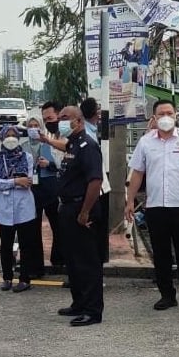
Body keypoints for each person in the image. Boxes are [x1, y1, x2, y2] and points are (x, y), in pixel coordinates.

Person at [125, 100, 179, 314]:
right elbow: (137, 173)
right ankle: (167, 295)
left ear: (176, 115)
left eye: (169, 113)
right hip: (155, 208)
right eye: (161, 113)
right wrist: (129, 201)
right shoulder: (145, 142)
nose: (165, 116)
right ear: (153, 118)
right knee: (161, 255)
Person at [50, 107, 105, 327]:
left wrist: (84, 212)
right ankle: (79, 303)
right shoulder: (72, 144)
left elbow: (95, 181)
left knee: (87, 262)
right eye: (60, 118)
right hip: (68, 209)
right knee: (72, 261)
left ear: (79, 121)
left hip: (82, 209)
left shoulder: (88, 146)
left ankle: (92, 311)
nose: (61, 122)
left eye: (65, 118)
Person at [0, 125, 40, 293]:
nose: (11, 139)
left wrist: (9, 182)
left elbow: (29, 181)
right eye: (7, 136)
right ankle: (7, 278)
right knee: (6, 245)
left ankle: (25, 279)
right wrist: (15, 182)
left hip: (24, 207)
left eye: (14, 136)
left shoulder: (27, 157)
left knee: (26, 245)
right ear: (2, 138)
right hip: (3, 209)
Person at [22, 117, 59, 277]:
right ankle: (36, 268)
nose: (33, 128)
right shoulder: (22, 147)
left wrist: (49, 165)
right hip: (31, 192)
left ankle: (58, 260)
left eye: (36, 125)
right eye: (30, 126)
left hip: (50, 190)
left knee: (58, 227)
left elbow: (61, 165)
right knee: (33, 231)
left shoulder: (50, 145)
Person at [81, 97, 111, 265]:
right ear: (94, 112)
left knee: (98, 232)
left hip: (102, 187)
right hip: (93, 190)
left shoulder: (93, 130)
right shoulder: (85, 134)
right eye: (98, 109)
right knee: (92, 233)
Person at [40, 101, 67, 268]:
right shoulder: (53, 137)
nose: (48, 122)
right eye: (45, 120)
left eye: (50, 118)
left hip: (74, 193)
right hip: (57, 190)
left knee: (66, 230)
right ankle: (58, 260)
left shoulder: (68, 136)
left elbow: (67, 152)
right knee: (58, 228)